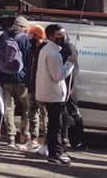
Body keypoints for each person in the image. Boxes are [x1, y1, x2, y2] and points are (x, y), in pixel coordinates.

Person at [36, 24, 75, 166]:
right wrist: (69, 65)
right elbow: (57, 76)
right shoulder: (53, 53)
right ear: (51, 36)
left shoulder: (47, 50)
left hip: (51, 93)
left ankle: (55, 151)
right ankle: (55, 153)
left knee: (55, 124)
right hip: (53, 95)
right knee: (55, 125)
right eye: (59, 34)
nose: (62, 37)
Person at [0, 15, 32, 147]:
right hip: (21, 78)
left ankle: (11, 137)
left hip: (5, 77)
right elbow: (29, 60)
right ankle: (25, 134)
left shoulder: (3, 37)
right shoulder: (24, 39)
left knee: (9, 108)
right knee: (27, 108)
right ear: (23, 27)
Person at [57, 32, 85, 150]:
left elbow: (72, 69)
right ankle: (65, 138)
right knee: (63, 113)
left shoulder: (68, 48)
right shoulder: (66, 47)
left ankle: (78, 140)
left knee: (73, 113)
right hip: (66, 85)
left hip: (69, 86)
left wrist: (69, 88)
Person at [24, 24, 47, 150]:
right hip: (32, 86)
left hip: (43, 87)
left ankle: (47, 142)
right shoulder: (31, 49)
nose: (29, 37)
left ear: (37, 35)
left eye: (31, 34)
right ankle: (33, 140)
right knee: (32, 113)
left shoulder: (46, 49)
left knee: (45, 115)